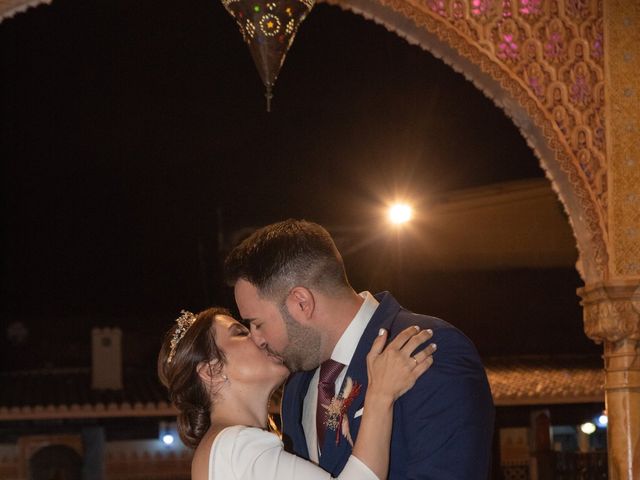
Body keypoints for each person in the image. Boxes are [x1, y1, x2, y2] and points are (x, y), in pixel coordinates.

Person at [224, 219, 495, 479]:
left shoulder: (426, 348)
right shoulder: (297, 386)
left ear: (301, 303)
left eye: (257, 323)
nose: (257, 339)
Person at [158, 307, 436, 480]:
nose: (259, 337)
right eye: (240, 333)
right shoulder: (236, 445)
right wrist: (380, 395)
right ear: (211, 370)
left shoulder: (220, 448)